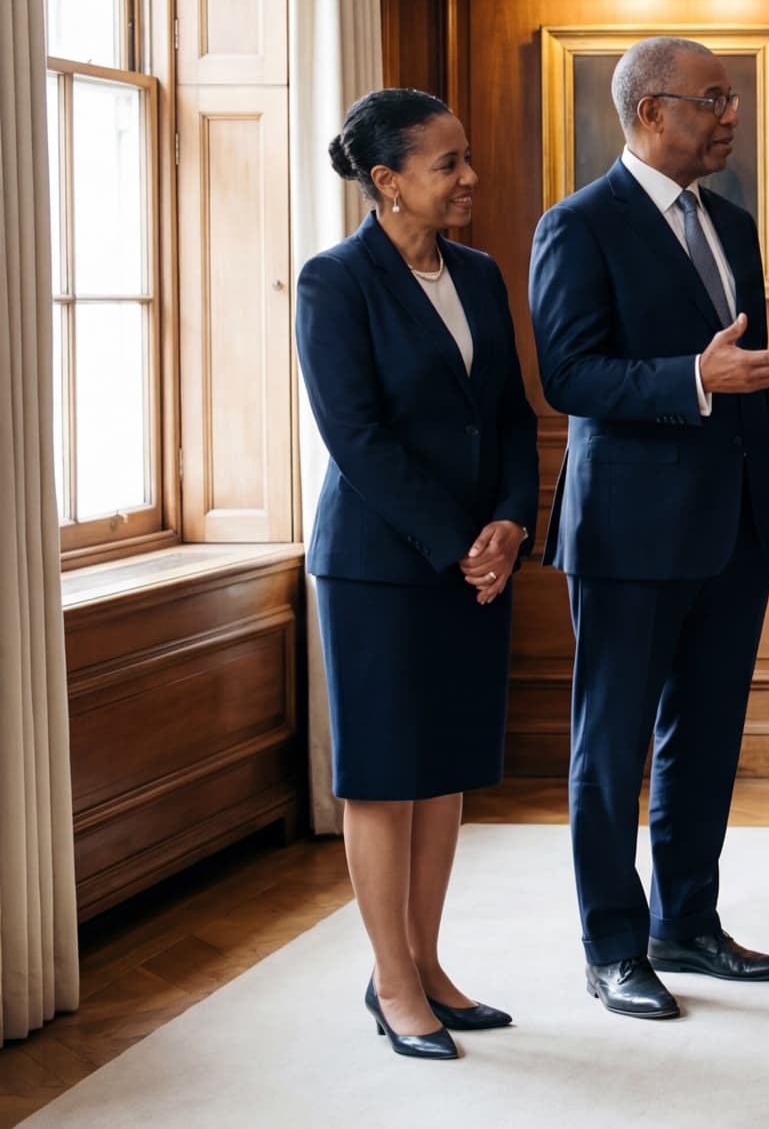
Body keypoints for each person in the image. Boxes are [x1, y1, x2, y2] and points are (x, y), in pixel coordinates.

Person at [529, 36, 769, 1020]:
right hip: (628, 532)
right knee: (611, 750)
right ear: (650, 112)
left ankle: (686, 922)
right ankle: (612, 947)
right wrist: (695, 376)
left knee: (706, 736)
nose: (731, 116)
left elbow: (741, 366)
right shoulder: (577, 225)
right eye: (712, 100)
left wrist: (767, 472)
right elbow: (568, 375)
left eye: (730, 99)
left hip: (736, 523)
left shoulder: (732, 223)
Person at [297, 88, 538, 1059]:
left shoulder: (479, 273)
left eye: (466, 157)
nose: (470, 176)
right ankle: (392, 981)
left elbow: (511, 414)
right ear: (387, 181)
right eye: (448, 164)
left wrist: (510, 522)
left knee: (443, 774)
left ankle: (428, 963)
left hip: (477, 561)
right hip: (379, 569)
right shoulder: (334, 282)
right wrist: (458, 542)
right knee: (385, 776)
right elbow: (356, 437)